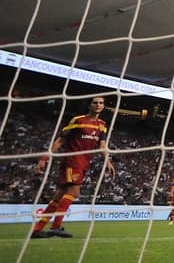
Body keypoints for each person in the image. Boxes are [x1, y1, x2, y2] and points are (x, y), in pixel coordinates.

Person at [31, 95, 116, 238]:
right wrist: (44, 159)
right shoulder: (78, 120)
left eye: (101, 103)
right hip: (72, 161)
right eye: (95, 102)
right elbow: (60, 140)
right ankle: (56, 227)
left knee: (59, 195)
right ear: (89, 105)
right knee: (74, 192)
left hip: (84, 163)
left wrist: (107, 161)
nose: (98, 105)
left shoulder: (102, 124)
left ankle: (37, 229)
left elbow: (102, 146)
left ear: (103, 106)